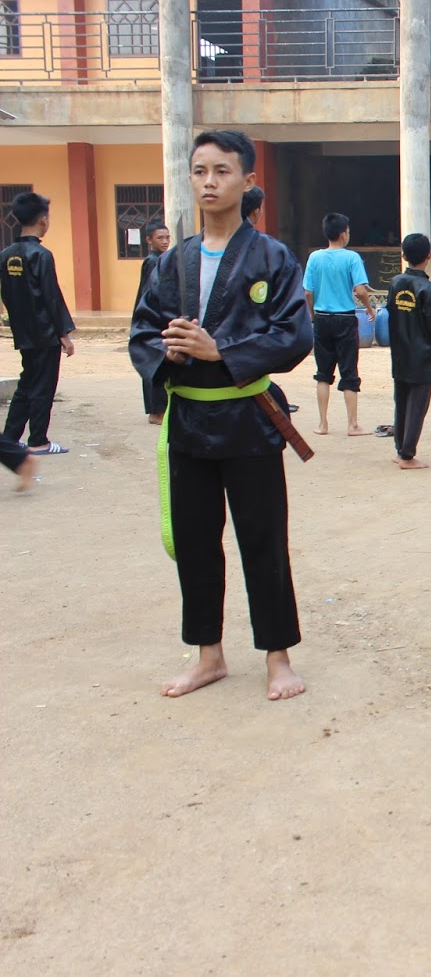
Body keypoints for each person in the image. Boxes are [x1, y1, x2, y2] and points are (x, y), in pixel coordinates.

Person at [128, 129, 315, 701]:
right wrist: (167, 351)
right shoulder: (172, 261)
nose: (209, 182)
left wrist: (221, 351)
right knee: (195, 543)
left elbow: (294, 334)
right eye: (200, 171)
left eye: (222, 171)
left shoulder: (271, 256)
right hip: (189, 422)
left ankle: (278, 658)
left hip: (248, 421)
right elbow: (141, 330)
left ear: (246, 180)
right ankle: (207, 654)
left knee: (263, 540)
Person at [0, 191, 76, 455]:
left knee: (27, 383)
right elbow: (51, 296)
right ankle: (38, 440)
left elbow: (7, 295)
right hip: (45, 333)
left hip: (24, 333)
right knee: (43, 386)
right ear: (43, 219)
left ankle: (9, 438)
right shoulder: (41, 255)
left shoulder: (6, 255)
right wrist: (64, 333)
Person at [387, 233, 431, 470]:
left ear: (403, 255)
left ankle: (400, 450)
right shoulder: (427, 288)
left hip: (400, 355)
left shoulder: (395, 283)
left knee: (401, 403)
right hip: (422, 357)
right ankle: (407, 455)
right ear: (429, 255)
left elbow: (392, 319)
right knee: (416, 408)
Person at [303, 212, 376, 436]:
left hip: (322, 318)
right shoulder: (352, 258)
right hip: (345, 319)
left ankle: (322, 424)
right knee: (349, 372)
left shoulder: (314, 257)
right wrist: (370, 308)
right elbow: (361, 290)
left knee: (322, 373)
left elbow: (308, 292)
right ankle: (352, 425)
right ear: (344, 234)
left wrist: (313, 314)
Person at [137, 221, 173, 424]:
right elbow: (150, 293)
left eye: (167, 237)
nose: (165, 241)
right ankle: (156, 412)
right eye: (160, 238)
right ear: (149, 240)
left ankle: (159, 410)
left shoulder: (161, 259)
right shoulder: (153, 262)